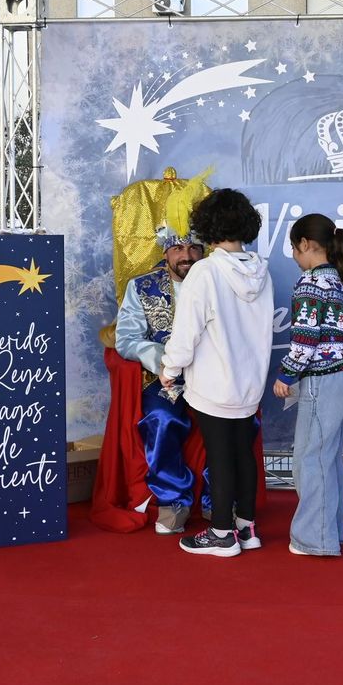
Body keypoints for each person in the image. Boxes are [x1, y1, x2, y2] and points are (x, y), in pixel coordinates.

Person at [160, 188, 273, 557]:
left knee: (220, 457)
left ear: (206, 227)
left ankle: (222, 533)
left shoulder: (205, 272)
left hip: (213, 382)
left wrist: (170, 369)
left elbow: (186, 330)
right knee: (243, 453)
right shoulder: (262, 270)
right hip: (250, 381)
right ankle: (247, 528)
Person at [273, 213, 343, 557]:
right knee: (329, 456)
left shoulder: (311, 282)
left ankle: (314, 537)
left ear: (304, 245)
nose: (295, 258)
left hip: (324, 376)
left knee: (312, 457)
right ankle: (335, 529)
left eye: (293, 250)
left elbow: (305, 338)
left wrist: (287, 374)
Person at [112, 221, 210, 534]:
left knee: (236, 423)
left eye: (194, 247)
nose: (187, 255)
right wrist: (161, 362)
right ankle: (173, 500)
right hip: (165, 379)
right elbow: (126, 339)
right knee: (160, 419)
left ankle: (217, 500)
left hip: (213, 374)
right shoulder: (142, 286)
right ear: (165, 251)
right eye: (178, 248)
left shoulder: (217, 281)